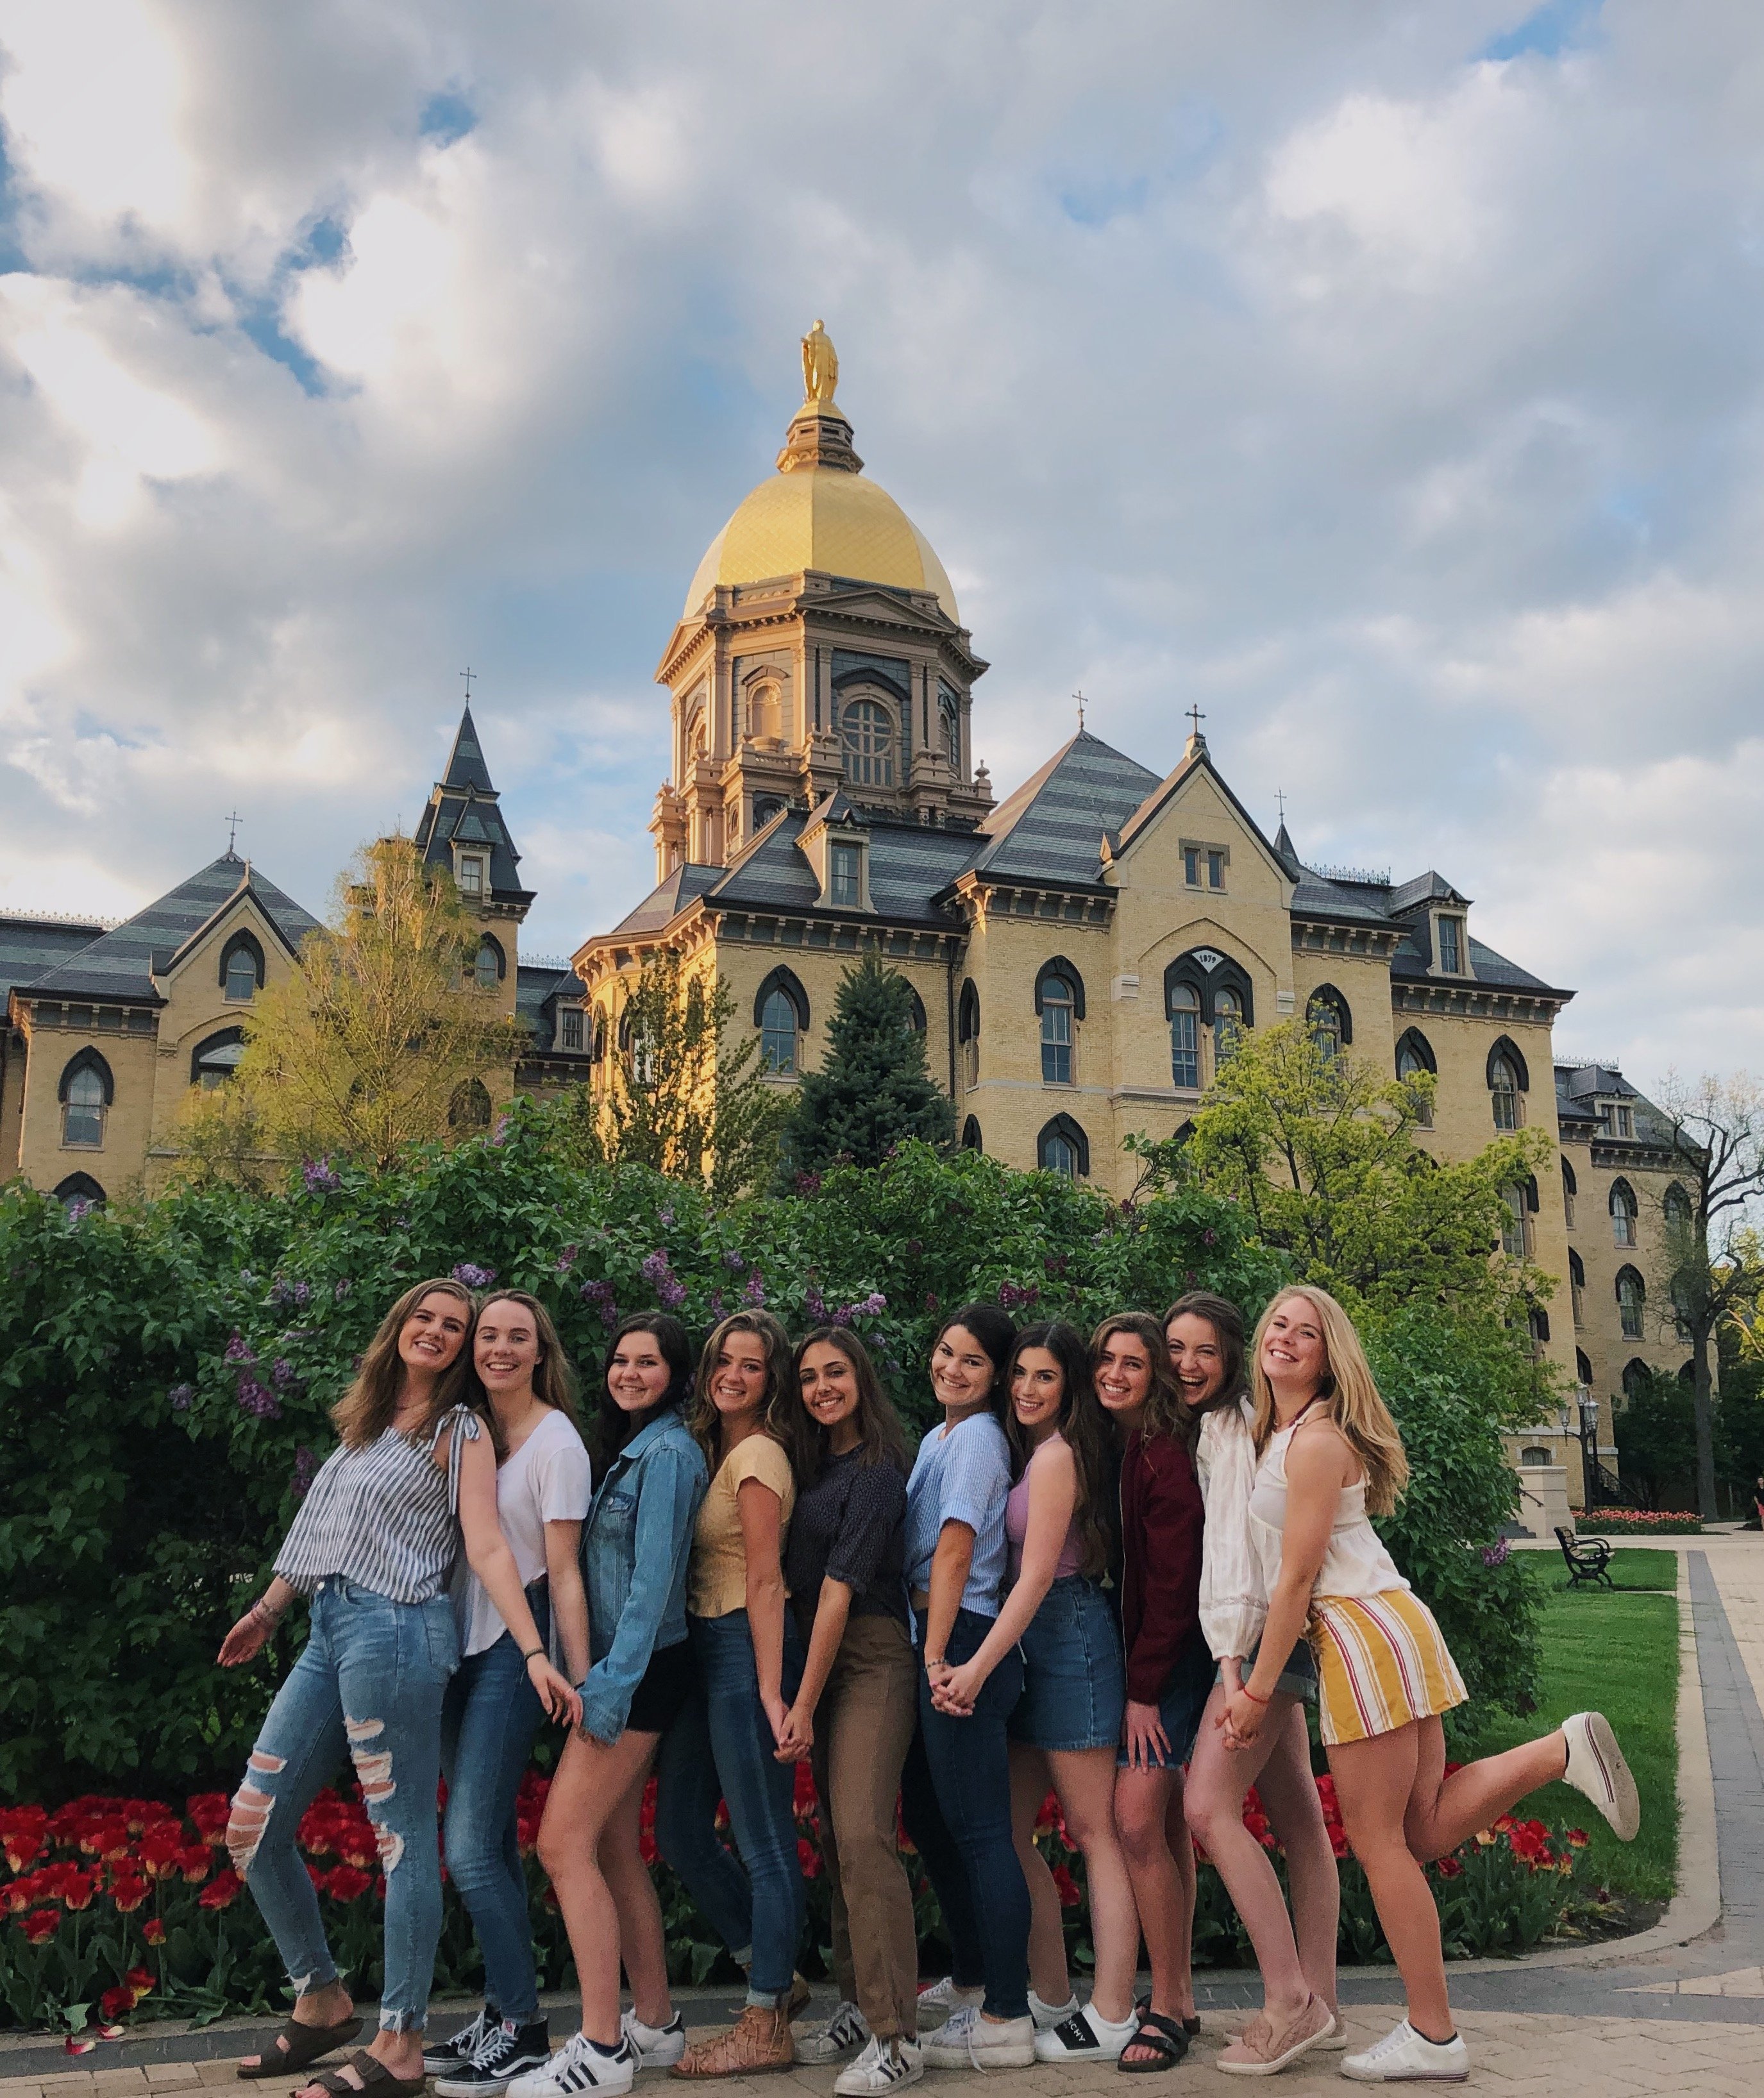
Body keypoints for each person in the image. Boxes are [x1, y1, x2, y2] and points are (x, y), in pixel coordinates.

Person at [1222, 1286, 1640, 2085]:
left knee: (1381, 1845)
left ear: (1327, 1355)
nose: (1285, 1337)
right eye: (1278, 1321)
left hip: (1357, 1630)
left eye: (1305, 1332)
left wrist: (1254, 1688)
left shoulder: (1312, 1442)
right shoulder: (1279, 1432)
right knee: (1419, 1831)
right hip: (1393, 1621)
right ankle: (1562, 1747)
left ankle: (1435, 2035)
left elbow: (1298, 1576)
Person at [217, 1280, 580, 2098]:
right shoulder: (367, 1424)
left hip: (399, 1632)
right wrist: (267, 1610)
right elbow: (321, 1530)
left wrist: (532, 1648)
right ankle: (322, 1995)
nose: (440, 1331)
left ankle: (403, 2038)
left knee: (401, 1839)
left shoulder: (460, 1430)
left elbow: (487, 1546)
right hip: (328, 1628)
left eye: (456, 1326)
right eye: (427, 1316)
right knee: (252, 1825)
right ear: (401, 1326)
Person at [931, 1320, 1138, 2064]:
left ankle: (1113, 2006)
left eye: (1044, 1376)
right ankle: (1049, 1992)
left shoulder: (1057, 1457)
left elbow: (1039, 1574)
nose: (1025, 1387)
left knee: (1093, 1830)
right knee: (1009, 1832)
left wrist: (977, 1666)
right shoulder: (1024, 1450)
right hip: (1025, 1639)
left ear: (1070, 1384)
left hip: (1067, 1636)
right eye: (1019, 1372)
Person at [514, 1314, 709, 2098]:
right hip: (636, 1673)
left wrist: (605, 1687)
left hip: (638, 1675)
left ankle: (600, 2048)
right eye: (620, 1359)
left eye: (648, 1361)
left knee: (563, 1845)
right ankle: (653, 2023)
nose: (629, 1372)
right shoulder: (635, 1447)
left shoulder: (667, 1452)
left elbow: (653, 1586)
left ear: (675, 1372)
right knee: (615, 1847)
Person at [1168, 1292, 1341, 2077]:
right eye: (1175, 1347)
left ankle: (1288, 1999)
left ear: (1231, 1354)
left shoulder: (1235, 1427)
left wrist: (1236, 1671)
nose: (1186, 1363)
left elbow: (1237, 1556)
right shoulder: (1262, 1423)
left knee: (1206, 1804)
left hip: (1260, 1642)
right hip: (1281, 1633)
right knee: (1300, 1814)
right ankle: (1325, 2004)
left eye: (1204, 1348)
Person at [429, 1295, 592, 2098]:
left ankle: (527, 2028)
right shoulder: (466, 1430)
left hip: (515, 1657)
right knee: (486, 1842)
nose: (498, 1347)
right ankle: (499, 2013)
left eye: (515, 1337)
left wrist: (582, 1673)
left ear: (540, 1352)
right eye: (487, 1334)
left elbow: (564, 1569)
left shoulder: (557, 1442)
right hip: (460, 1647)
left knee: (466, 1848)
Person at [653, 1311, 807, 2077]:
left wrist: (774, 1691)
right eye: (725, 1360)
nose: (734, 1374)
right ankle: (774, 1968)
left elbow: (766, 1577)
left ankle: (766, 2021)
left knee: (766, 1840)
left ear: (771, 1379)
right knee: (680, 1827)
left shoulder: (757, 1452)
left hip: (746, 1648)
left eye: (752, 1364)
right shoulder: (718, 1445)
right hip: (707, 1650)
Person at [774, 1328, 921, 2094]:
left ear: (862, 1376)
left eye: (835, 1372)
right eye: (808, 1376)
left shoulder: (876, 1471)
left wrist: (800, 1700)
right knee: (837, 1835)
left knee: (864, 1829)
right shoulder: (809, 1463)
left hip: (870, 1654)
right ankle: (860, 2007)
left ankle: (898, 2034)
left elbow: (838, 1588)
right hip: (820, 1659)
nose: (823, 1386)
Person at [897, 1305, 1036, 2072]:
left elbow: (954, 1550)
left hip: (964, 1634)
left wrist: (939, 1656)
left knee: (980, 1828)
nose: (953, 1366)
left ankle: (1006, 2012)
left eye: (973, 1360)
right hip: (939, 1635)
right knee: (930, 1813)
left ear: (994, 1375)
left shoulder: (979, 1437)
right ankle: (974, 1978)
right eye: (945, 1350)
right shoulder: (937, 1435)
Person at [1093, 1311, 1209, 2075]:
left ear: (1155, 1376)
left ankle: (1165, 2002)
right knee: (1161, 1823)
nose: (1115, 1372)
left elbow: (1170, 1586)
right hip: (1165, 1658)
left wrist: (1143, 1690)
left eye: (1133, 1363)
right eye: (1106, 1359)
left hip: (1174, 1663)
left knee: (1135, 1819)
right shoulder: (1128, 1443)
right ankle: (1183, 1995)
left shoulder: (1163, 1454)